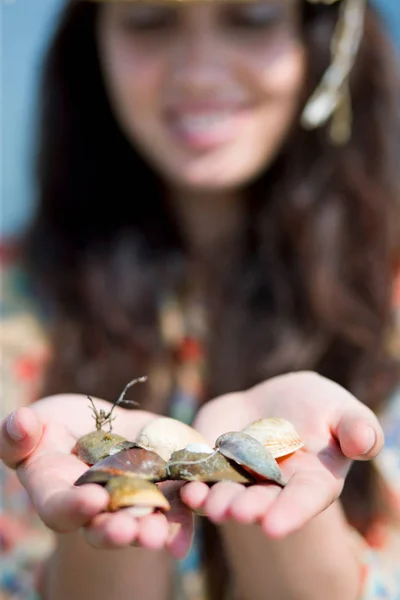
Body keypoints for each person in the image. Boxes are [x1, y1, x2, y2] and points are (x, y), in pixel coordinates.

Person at [0, 0, 399, 598]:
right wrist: (111, 517)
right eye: (148, 21)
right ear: (94, 43)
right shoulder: (13, 306)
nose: (198, 72)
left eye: (253, 18)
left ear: (328, 41)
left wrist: (281, 511)